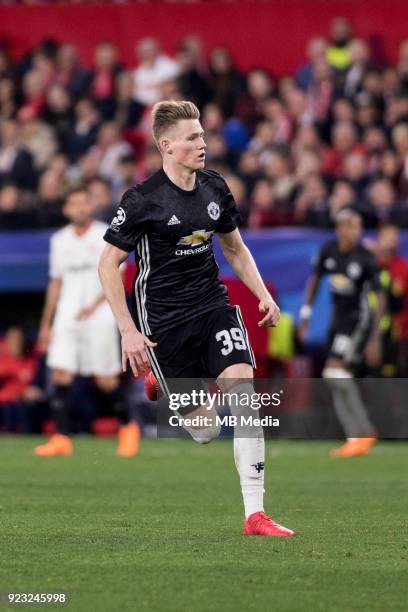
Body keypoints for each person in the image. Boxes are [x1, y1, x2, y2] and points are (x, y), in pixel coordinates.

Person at [99, 100, 294, 537]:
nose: (202, 143)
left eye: (203, 135)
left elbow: (234, 248)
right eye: (192, 138)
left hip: (211, 307)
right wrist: (128, 331)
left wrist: (262, 296)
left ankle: (255, 514)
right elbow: (107, 265)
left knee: (244, 396)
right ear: (167, 146)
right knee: (205, 431)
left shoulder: (214, 188)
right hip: (163, 324)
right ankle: (163, 382)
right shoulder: (142, 200)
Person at [35, 187, 139, 458]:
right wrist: (47, 323)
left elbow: (120, 274)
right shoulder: (60, 240)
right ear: (66, 209)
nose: (80, 208)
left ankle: (128, 428)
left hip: (101, 314)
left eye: (84, 203)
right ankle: (61, 437)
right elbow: (56, 282)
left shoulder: (106, 233)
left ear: (90, 206)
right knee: (61, 373)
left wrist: (94, 305)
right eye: (74, 204)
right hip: (67, 316)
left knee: (105, 379)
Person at [299, 208, 384, 457]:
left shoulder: (366, 258)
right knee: (336, 376)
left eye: (357, 226)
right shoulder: (329, 251)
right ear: (340, 229)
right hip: (339, 319)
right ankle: (355, 437)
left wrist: (375, 337)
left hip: (359, 319)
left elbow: (379, 297)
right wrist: (306, 315)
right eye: (350, 226)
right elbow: (314, 280)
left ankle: (363, 430)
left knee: (334, 372)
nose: (354, 231)